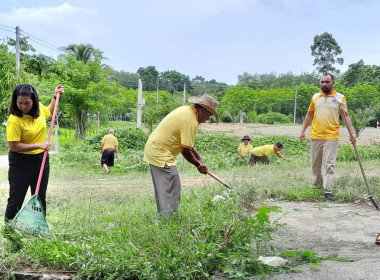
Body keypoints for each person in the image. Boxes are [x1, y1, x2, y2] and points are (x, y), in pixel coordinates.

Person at [143, 94, 219, 218]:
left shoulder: (185, 110)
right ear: (203, 110)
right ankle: (170, 222)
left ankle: (164, 219)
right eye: (209, 115)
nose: (207, 120)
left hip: (154, 149)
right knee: (172, 187)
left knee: (164, 188)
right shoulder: (191, 121)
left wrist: (200, 159)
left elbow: (188, 145)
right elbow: (185, 151)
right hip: (160, 152)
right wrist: (198, 165)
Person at [4, 83, 64, 221]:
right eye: (20, 103)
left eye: (27, 103)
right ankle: (10, 230)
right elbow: (14, 146)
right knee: (16, 197)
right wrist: (40, 145)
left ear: (34, 101)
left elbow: (49, 111)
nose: (24, 106)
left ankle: (38, 228)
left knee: (39, 196)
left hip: (41, 160)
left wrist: (56, 96)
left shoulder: (40, 109)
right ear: (15, 102)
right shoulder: (14, 120)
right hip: (20, 162)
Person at [300, 73, 356, 201]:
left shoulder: (340, 98)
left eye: (327, 82)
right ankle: (317, 185)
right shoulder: (315, 97)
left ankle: (328, 190)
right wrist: (303, 130)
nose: (324, 84)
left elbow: (345, 116)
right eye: (322, 82)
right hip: (315, 135)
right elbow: (309, 114)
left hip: (331, 136)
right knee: (315, 164)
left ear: (333, 83)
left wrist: (352, 133)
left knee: (329, 164)